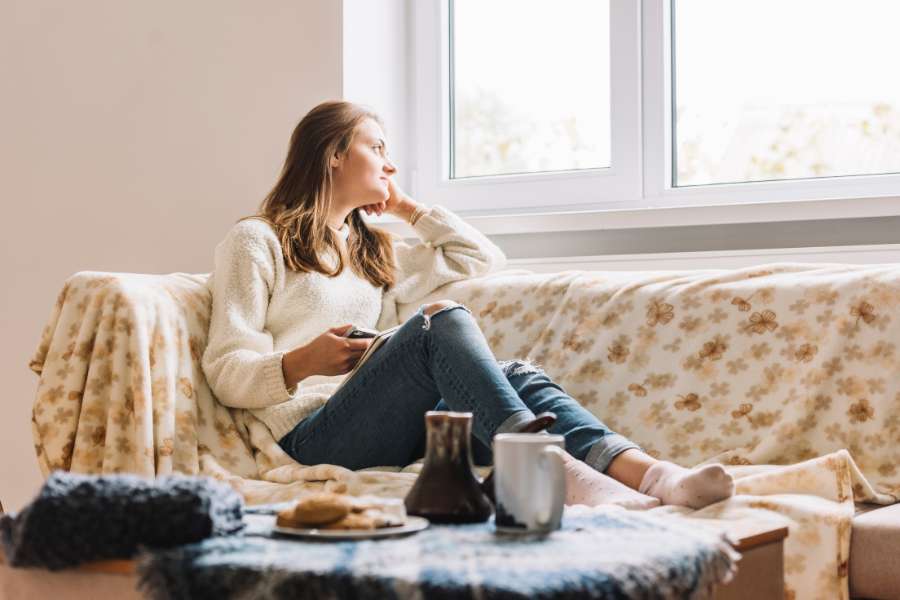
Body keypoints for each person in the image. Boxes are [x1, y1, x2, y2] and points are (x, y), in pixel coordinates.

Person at [201, 100, 734, 510]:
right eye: (377, 148)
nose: (390, 164)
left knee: (516, 376)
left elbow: (478, 256)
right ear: (333, 154)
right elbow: (225, 370)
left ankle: (658, 477)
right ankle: (549, 470)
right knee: (441, 320)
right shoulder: (257, 241)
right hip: (311, 436)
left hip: (388, 427)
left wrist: (407, 208)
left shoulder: (370, 251)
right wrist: (303, 362)